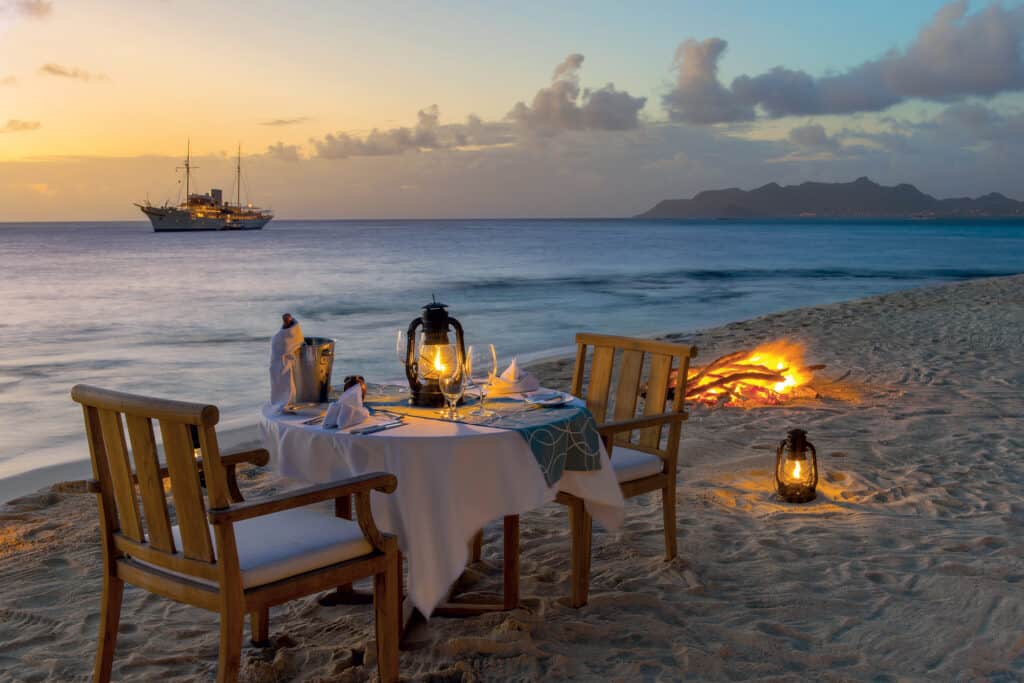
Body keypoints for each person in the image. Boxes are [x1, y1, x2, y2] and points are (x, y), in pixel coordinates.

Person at [269, 313, 304, 409]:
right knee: (282, 379)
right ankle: (283, 401)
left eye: (287, 319)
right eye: (285, 319)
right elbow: (288, 345)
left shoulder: (293, 331)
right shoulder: (280, 336)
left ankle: (283, 401)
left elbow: (297, 340)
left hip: (282, 362)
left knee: (283, 379)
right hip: (279, 362)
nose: (286, 321)